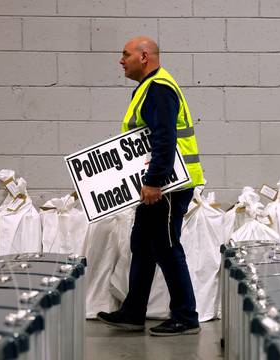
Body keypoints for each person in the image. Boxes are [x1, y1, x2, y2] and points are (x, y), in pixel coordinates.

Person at [97, 36, 205, 336]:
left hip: (169, 186)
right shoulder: (148, 87)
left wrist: (155, 181)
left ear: (144, 56)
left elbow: (164, 137)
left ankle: (186, 316)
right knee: (142, 245)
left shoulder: (158, 88)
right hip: (159, 184)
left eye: (125, 54)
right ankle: (133, 312)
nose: (121, 60)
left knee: (167, 247)